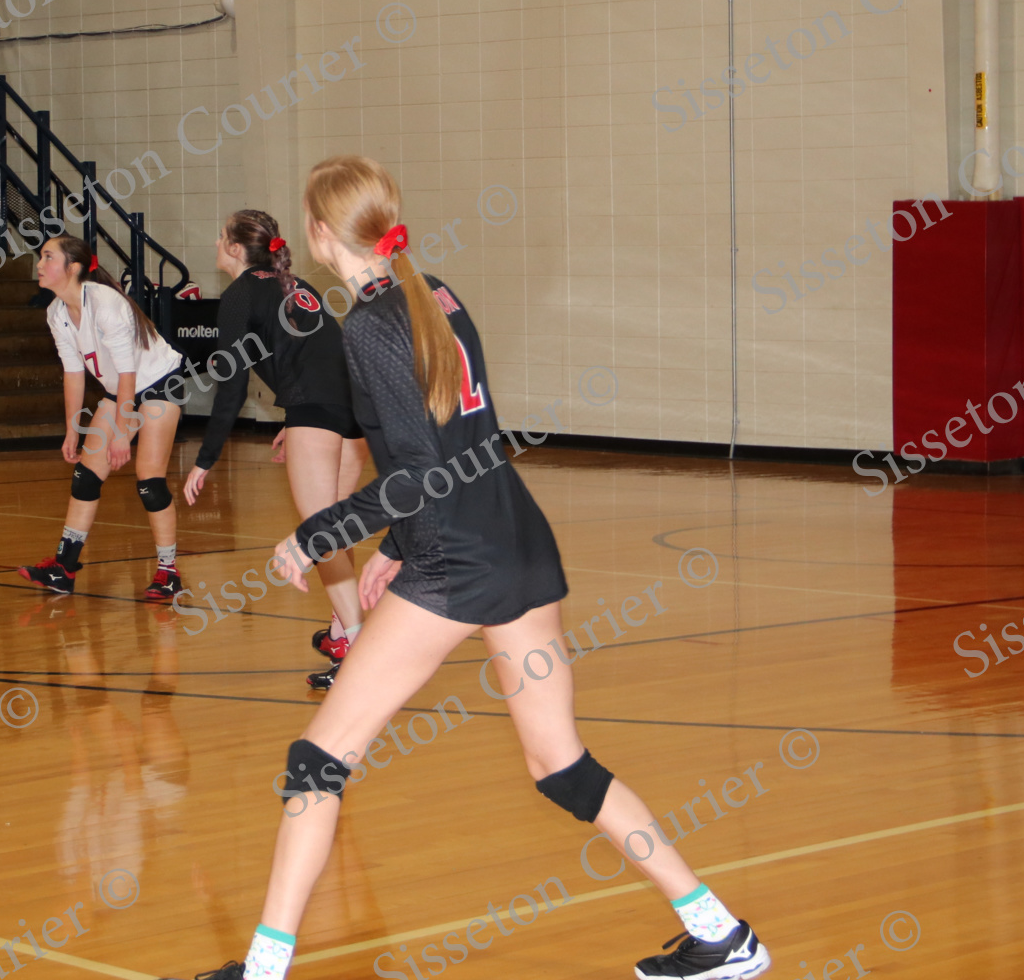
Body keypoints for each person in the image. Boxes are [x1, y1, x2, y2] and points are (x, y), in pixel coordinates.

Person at [164, 157, 771, 980]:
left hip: (457, 562)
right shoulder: (435, 293)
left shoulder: (371, 326)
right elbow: (454, 445)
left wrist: (319, 534)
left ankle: (264, 971)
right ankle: (721, 934)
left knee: (317, 763)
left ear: (318, 233)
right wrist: (392, 549)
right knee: (561, 767)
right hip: (513, 539)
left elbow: (418, 472)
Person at [181, 209, 370, 691]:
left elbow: (231, 387)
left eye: (220, 236)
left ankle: (359, 652)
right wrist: (296, 420)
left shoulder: (238, 295)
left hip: (318, 407)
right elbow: (320, 350)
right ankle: (341, 632)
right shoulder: (294, 283)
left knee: (321, 532)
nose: (216, 243)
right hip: (355, 405)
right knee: (335, 530)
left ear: (234, 248)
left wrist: (205, 459)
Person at [18, 235, 191, 601]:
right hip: (121, 390)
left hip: (159, 383)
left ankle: (169, 572)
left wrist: (122, 433)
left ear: (73, 267)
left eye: (48, 257)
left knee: (149, 480)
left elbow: (129, 374)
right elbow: (73, 374)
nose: (40, 264)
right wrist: (72, 430)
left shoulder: (106, 304)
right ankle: (64, 568)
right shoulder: (56, 312)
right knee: (86, 475)